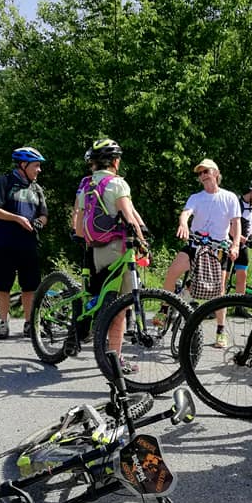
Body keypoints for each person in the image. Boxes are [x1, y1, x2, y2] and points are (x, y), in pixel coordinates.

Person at [71, 137, 147, 368]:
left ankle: (88, 331)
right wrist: (143, 244)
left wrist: (85, 238)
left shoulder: (87, 184)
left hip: (96, 250)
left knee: (103, 296)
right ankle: (115, 358)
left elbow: (78, 224)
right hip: (117, 247)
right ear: (115, 161)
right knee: (121, 308)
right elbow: (129, 215)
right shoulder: (117, 184)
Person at [159, 158, 241, 348]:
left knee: (219, 291)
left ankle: (221, 330)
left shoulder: (229, 197)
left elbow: (236, 223)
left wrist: (235, 245)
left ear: (216, 173)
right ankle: (164, 310)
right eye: (200, 173)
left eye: (206, 171)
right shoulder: (196, 197)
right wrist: (183, 223)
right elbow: (186, 213)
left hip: (218, 248)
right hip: (195, 244)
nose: (202, 175)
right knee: (172, 272)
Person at [0, 146, 48, 338]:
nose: (39, 170)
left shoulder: (36, 188)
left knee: (30, 285)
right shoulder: (3, 182)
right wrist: (17, 219)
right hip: (5, 242)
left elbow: (44, 215)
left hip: (28, 243)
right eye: (36, 166)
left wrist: (39, 222)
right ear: (23, 165)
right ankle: (3, 323)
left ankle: (29, 323)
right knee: (3, 285)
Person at [224, 176, 252, 308]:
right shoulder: (237, 204)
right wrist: (244, 240)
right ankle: (216, 308)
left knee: (242, 276)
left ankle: (239, 307)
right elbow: (230, 228)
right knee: (224, 277)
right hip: (229, 244)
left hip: (242, 246)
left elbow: (251, 224)